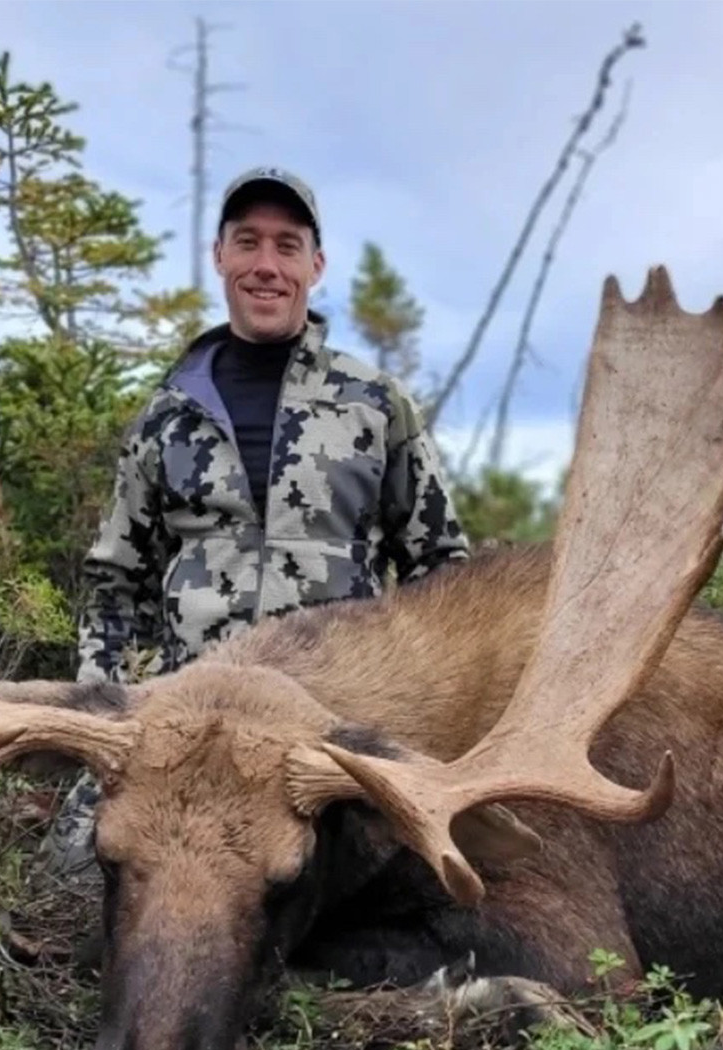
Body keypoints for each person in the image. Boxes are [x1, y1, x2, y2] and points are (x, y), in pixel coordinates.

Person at [42, 166, 471, 874]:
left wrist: (426, 729)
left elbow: (443, 576)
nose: (266, 266)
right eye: (248, 243)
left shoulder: (373, 402)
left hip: (327, 741)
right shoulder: (166, 415)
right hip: (182, 732)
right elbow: (115, 583)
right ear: (220, 257)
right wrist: (99, 729)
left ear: (316, 266)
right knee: (67, 890)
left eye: (287, 245)